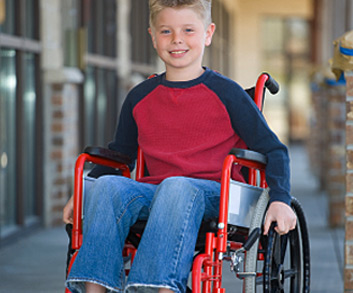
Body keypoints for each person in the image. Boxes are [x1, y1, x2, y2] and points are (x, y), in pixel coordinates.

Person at [63, 0, 296, 292]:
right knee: (109, 187)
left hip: (215, 195)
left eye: (188, 30)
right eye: (166, 31)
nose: (177, 40)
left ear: (208, 33)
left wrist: (280, 200)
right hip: (156, 193)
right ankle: (96, 288)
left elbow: (274, 149)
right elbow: (120, 155)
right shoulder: (140, 96)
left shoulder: (228, 93)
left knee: (176, 186)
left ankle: (159, 288)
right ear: (152, 35)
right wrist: (86, 191)